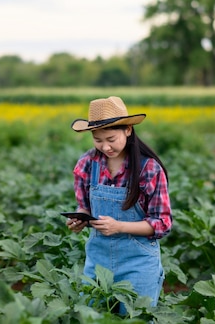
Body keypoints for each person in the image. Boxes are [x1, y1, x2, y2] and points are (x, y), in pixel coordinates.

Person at [67, 96, 173, 315]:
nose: (105, 146)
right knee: (91, 318)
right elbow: (84, 208)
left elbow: (162, 223)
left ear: (128, 130)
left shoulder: (149, 169)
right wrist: (80, 219)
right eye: (97, 140)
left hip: (138, 263)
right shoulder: (87, 164)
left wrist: (120, 226)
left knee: (137, 319)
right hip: (97, 260)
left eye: (111, 139)